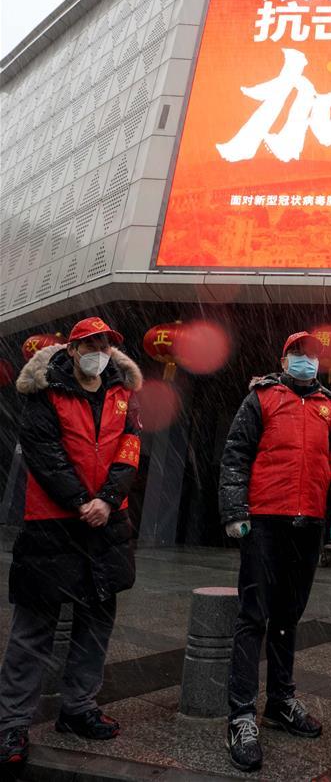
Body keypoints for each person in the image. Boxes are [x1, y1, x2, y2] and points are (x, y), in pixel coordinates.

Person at [0, 317, 142, 767]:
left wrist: (108, 499)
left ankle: (79, 708)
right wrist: (81, 500)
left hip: (107, 524)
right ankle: (11, 723)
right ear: (73, 349)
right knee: (32, 630)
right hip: (53, 523)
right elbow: (43, 452)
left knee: (95, 625)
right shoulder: (46, 390)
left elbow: (131, 447)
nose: (99, 350)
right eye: (90, 344)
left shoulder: (122, 391)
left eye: (105, 343)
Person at [219, 331, 331, 773]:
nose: (306, 360)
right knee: (253, 616)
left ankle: (279, 701)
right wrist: (234, 510)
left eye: (312, 354)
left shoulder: (330, 407)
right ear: (283, 360)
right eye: (298, 353)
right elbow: (236, 454)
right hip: (264, 521)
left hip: (308, 523)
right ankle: (241, 716)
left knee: (287, 617)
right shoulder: (261, 398)